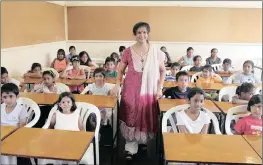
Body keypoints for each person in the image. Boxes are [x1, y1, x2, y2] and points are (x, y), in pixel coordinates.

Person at [110, 22, 166, 160]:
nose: (142, 35)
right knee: (131, 114)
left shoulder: (156, 52)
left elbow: (163, 71)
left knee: (145, 113)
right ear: (135, 34)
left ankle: (142, 142)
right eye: (139, 32)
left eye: (144, 32)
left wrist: (159, 88)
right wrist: (117, 84)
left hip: (149, 90)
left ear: (148, 34)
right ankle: (130, 146)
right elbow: (121, 70)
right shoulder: (128, 51)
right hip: (130, 89)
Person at [1, 83, 28, 165]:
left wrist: (10, 135)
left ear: (17, 96)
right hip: (2, 134)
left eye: (11, 96)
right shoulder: (1, 107)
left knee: (5, 148)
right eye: (4, 97)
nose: (8, 100)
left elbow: (22, 125)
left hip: (14, 135)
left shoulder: (20, 109)